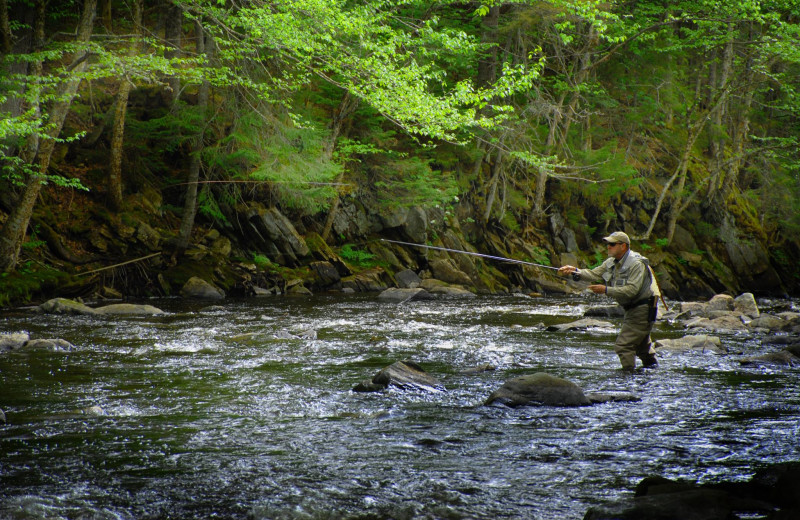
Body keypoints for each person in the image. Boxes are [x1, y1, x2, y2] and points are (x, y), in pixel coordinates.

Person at [557, 231, 659, 371]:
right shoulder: (612, 261)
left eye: (612, 244)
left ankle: (627, 379)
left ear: (623, 246)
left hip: (643, 309)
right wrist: (575, 271)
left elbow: (632, 290)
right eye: (607, 244)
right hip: (631, 308)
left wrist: (606, 290)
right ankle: (653, 371)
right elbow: (594, 274)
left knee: (623, 346)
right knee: (642, 347)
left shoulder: (636, 264)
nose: (608, 247)